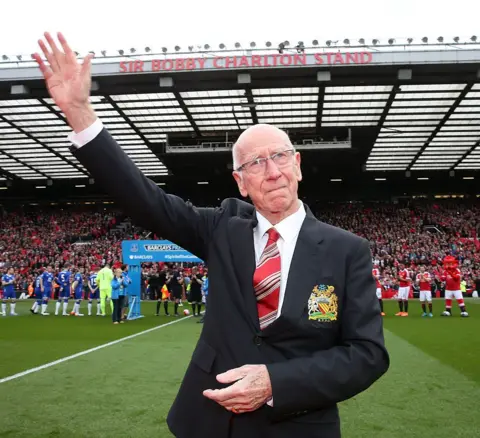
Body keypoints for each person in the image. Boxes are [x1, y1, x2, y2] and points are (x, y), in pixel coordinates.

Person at [34, 32, 389, 438]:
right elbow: (144, 199)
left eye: (280, 156)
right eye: (256, 163)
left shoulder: (348, 250)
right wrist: (80, 114)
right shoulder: (222, 228)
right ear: (240, 182)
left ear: (298, 164)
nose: (272, 171)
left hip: (299, 425)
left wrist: (277, 382)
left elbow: (367, 354)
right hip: (209, 424)